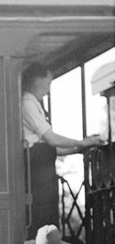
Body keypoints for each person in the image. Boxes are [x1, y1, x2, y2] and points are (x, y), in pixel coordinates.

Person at [21, 63, 103, 232]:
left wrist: (78, 149)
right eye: (48, 83)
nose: (48, 90)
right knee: (42, 218)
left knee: (48, 219)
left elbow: (50, 148)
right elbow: (51, 139)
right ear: (36, 81)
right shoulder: (27, 104)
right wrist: (82, 142)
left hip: (42, 169)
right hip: (37, 173)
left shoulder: (33, 104)